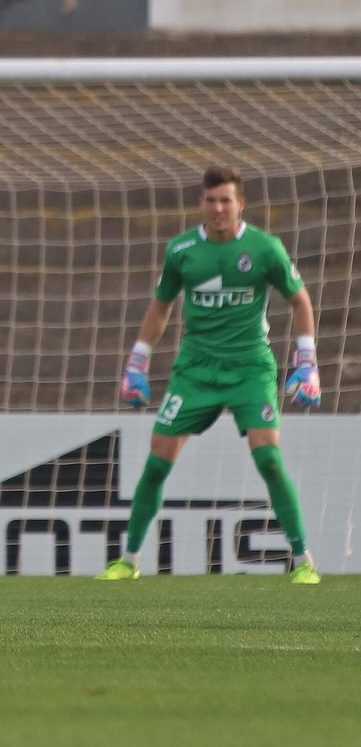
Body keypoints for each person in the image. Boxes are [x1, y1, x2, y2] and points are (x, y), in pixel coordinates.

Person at [102, 166, 320, 584]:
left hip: (249, 368)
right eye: (211, 200)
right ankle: (127, 561)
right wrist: (137, 363)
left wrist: (307, 362)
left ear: (241, 204)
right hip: (195, 372)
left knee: (269, 459)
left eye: (226, 201)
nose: (218, 208)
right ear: (201, 203)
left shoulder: (265, 248)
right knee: (156, 463)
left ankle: (303, 561)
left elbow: (301, 301)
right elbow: (161, 306)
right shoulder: (182, 250)